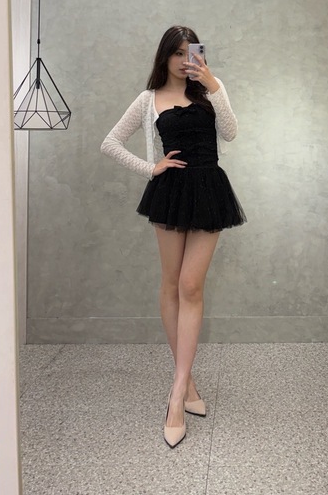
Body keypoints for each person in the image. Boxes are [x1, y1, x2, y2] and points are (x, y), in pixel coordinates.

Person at [101, 25, 246, 448]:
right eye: (178, 53)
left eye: (192, 52)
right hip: (169, 192)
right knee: (170, 284)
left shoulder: (211, 90)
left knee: (190, 285)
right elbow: (110, 142)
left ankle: (177, 391)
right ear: (164, 56)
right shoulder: (149, 99)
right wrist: (151, 168)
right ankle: (188, 384)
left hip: (210, 189)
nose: (186, 60)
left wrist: (213, 84)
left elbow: (231, 132)